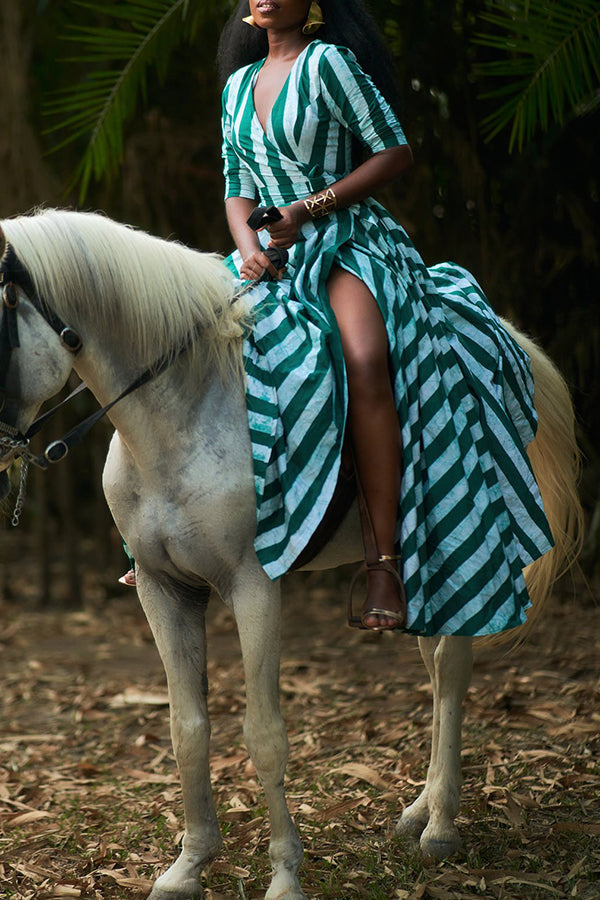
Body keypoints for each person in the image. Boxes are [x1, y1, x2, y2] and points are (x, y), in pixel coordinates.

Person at [126, 0, 551, 637]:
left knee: (364, 358)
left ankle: (385, 561)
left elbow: (394, 152)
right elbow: (236, 181)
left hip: (349, 243)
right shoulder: (239, 86)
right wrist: (248, 250)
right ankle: (154, 532)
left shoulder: (330, 65)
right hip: (268, 256)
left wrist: (307, 208)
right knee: (182, 346)